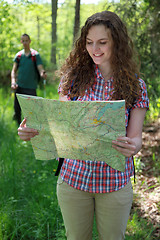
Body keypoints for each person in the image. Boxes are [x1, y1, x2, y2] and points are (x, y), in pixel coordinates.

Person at [18, 11, 149, 240]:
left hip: (115, 183)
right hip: (73, 180)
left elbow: (136, 137)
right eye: (89, 42)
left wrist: (133, 146)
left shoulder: (136, 85)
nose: (94, 49)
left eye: (102, 42)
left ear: (116, 42)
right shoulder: (72, 79)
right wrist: (32, 131)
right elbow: (60, 129)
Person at [11, 33, 47, 125]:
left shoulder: (35, 55)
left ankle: (31, 128)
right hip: (19, 87)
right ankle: (19, 128)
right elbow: (13, 71)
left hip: (31, 88)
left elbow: (40, 68)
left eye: (26, 40)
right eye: (23, 41)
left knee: (31, 110)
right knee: (17, 109)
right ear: (21, 41)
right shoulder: (18, 55)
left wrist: (42, 73)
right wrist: (13, 82)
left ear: (30, 41)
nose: (25, 42)